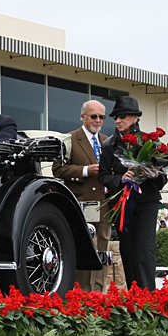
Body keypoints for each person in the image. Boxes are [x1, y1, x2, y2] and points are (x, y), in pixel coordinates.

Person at [98, 95, 165, 290]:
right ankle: (134, 296)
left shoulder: (150, 142)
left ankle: (148, 296)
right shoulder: (109, 145)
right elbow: (102, 176)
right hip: (122, 203)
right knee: (128, 251)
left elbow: (162, 179)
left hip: (147, 201)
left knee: (144, 249)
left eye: (123, 116)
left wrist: (152, 175)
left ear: (135, 118)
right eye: (116, 117)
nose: (118, 121)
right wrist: (121, 179)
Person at [52, 99, 110, 292]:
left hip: (104, 205)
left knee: (102, 248)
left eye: (101, 117)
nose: (98, 120)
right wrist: (85, 170)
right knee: (85, 247)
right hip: (82, 202)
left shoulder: (107, 141)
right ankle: (81, 294)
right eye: (94, 116)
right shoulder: (70, 138)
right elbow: (58, 170)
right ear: (83, 116)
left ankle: (99, 293)